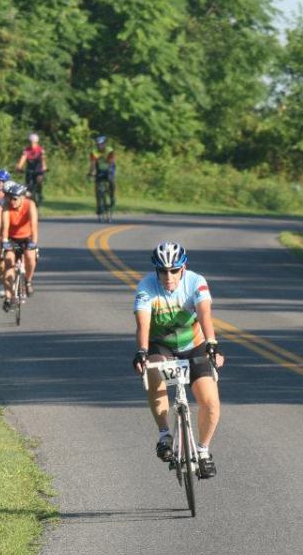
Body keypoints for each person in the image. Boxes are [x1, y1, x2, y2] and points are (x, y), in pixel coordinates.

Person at [132, 241, 224, 478]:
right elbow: (143, 323)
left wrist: (212, 344)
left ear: (183, 268)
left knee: (210, 402)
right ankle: (164, 435)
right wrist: (142, 351)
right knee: (154, 373)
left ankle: (203, 451)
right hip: (161, 345)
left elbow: (204, 313)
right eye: (163, 271)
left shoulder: (196, 282)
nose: (168, 276)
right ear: (156, 271)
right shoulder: (146, 287)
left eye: (174, 270)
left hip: (194, 345)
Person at [0, 183, 39, 312]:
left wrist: (33, 242)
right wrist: (4, 241)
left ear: (22, 197)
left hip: (27, 237)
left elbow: (34, 226)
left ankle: (28, 281)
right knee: (8, 262)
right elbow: (5, 227)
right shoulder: (6, 207)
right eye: (10, 198)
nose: (12, 201)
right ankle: (9, 297)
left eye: (15, 198)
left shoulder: (30, 204)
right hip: (11, 238)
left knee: (30, 256)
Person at [16, 133, 47, 205]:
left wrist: (44, 167)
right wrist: (19, 166)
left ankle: (39, 193)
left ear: (37, 142)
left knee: (39, 179)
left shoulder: (40, 150)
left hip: (38, 169)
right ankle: (28, 199)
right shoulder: (27, 150)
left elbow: (43, 159)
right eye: (31, 142)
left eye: (34, 142)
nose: (32, 144)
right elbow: (23, 158)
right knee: (27, 185)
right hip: (29, 170)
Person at [88, 135, 115, 212]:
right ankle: (99, 206)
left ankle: (112, 196)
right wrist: (91, 173)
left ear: (104, 144)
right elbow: (92, 164)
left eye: (101, 144)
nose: (99, 146)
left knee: (111, 180)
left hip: (109, 168)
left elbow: (111, 162)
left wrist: (109, 171)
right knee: (97, 186)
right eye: (98, 145)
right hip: (100, 169)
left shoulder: (109, 150)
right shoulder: (94, 152)